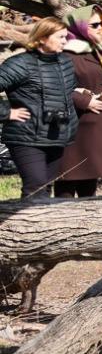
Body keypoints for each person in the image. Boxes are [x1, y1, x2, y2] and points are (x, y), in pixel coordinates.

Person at [0, 17, 80, 314]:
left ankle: (26, 272)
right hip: (26, 139)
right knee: (35, 196)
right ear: (42, 38)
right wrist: (7, 112)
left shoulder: (65, 63)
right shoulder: (18, 64)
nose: (65, 41)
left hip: (56, 139)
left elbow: (66, 97)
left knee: (44, 199)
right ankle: (23, 279)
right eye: (60, 37)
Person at [55, 6, 102, 198]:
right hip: (75, 124)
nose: (100, 28)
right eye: (94, 25)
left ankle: (88, 217)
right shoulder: (63, 53)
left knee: (90, 178)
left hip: (99, 123)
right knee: (67, 179)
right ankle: (61, 216)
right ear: (78, 26)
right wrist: (85, 101)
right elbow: (53, 87)